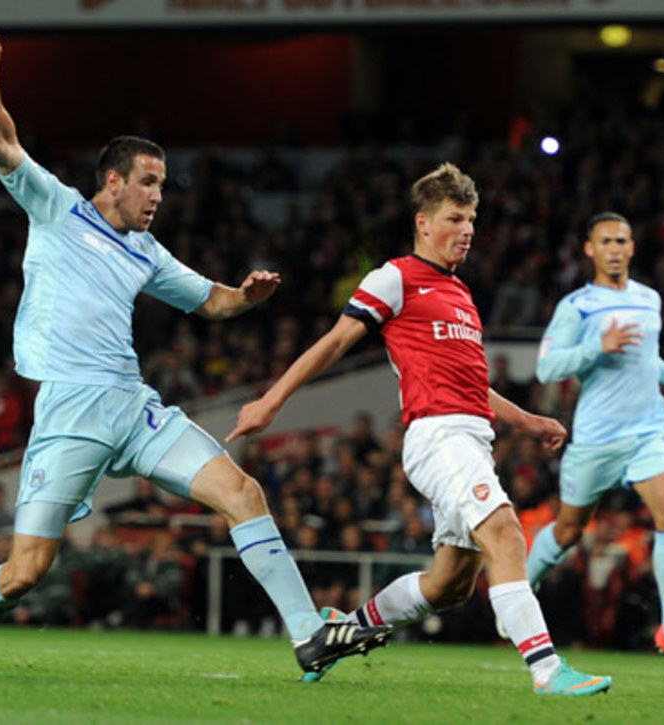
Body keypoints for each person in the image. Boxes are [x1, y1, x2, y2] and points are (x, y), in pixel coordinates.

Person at [0, 17, 390, 674]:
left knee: (244, 492)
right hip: (69, 412)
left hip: (133, 407)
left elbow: (213, 301)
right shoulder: (59, 208)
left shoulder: (146, 252)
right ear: (113, 181)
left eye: (163, 183)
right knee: (28, 569)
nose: (158, 196)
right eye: (148, 182)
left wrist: (247, 295)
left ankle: (307, 635)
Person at [228, 163, 611, 696]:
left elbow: (472, 383)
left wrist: (526, 419)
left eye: (472, 219)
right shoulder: (395, 277)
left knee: (451, 584)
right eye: (456, 217)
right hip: (438, 436)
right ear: (424, 223)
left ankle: (341, 633)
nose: (468, 229)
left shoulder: (460, 295)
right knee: (504, 531)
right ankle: (546, 670)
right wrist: (270, 402)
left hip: (471, 437)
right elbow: (335, 343)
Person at [523, 212, 664, 677]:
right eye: (605, 240)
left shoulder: (650, 299)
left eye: (622, 240)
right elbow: (547, 368)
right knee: (568, 531)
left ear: (631, 247)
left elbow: (645, 358)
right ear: (590, 249)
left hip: (648, 430)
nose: (614, 248)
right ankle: (521, 591)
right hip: (597, 437)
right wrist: (595, 348)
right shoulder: (577, 307)